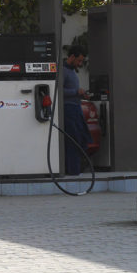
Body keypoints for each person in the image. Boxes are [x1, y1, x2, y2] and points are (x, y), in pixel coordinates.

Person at [62, 45, 92, 176]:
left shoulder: (72, 72)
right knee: (73, 140)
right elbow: (58, 90)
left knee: (80, 139)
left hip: (76, 109)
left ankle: (75, 169)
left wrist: (80, 94)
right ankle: (72, 171)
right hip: (68, 110)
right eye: (79, 61)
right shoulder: (62, 71)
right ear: (72, 57)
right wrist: (76, 91)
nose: (80, 64)